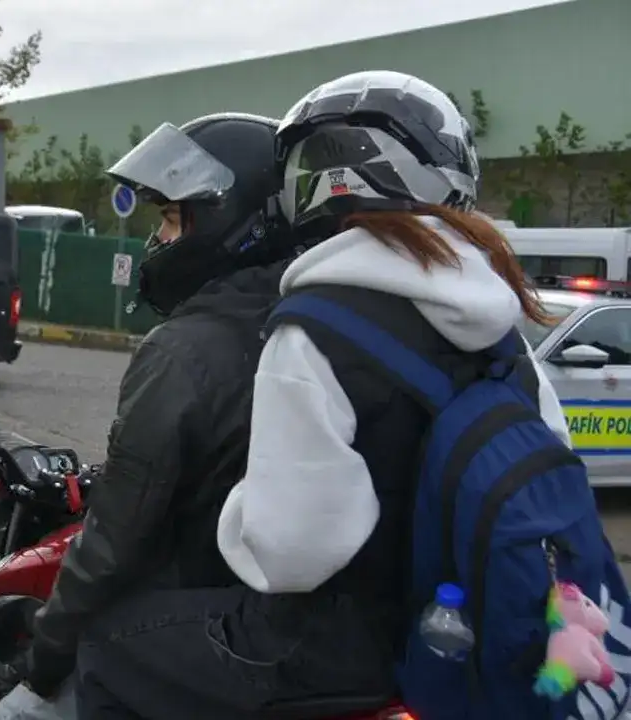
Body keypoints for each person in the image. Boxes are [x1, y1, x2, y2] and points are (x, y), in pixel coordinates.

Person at [210, 71, 574, 715]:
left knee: (110, 654)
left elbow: (290, 554)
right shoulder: (502, 335)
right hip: (486, 641)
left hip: (350, 652)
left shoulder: (314, 328)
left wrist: (237, 512)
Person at [16, 113, 315, 715]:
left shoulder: (183, 352)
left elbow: (114, 542)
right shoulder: (310, 321)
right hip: (299, 635)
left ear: (233, 221)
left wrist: (44, 659)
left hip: (198, 637)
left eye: (173, 218)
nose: (159, 239)